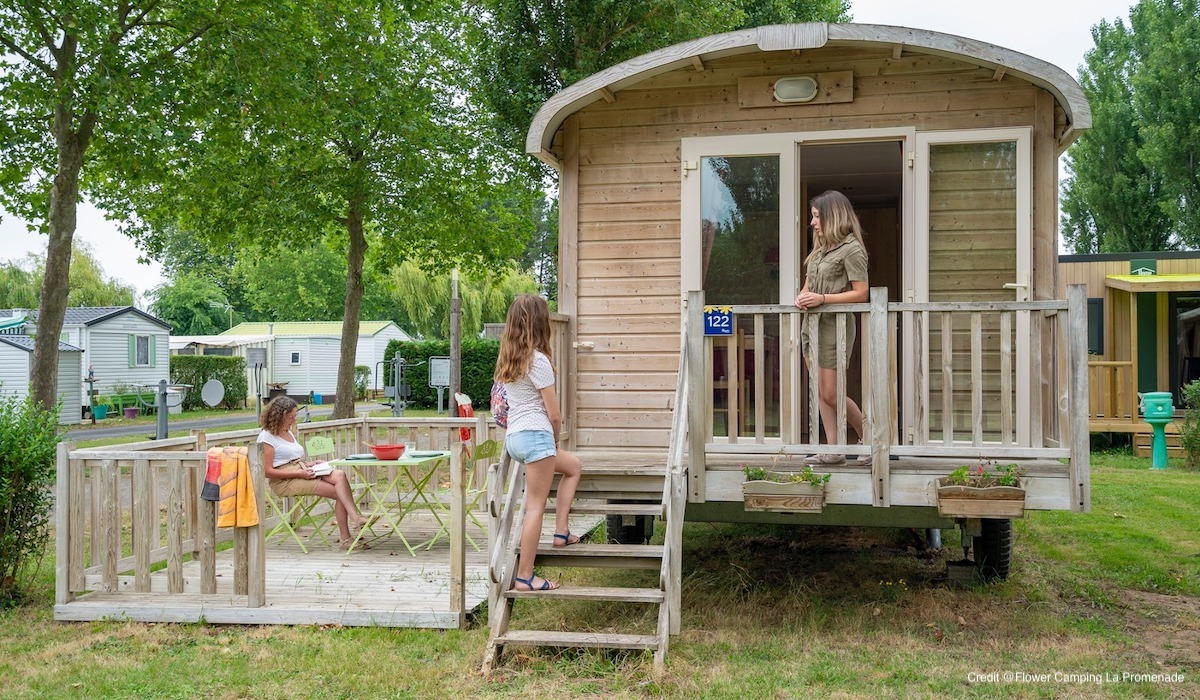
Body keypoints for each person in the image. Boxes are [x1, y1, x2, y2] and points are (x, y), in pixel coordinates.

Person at [495, 294, 583, 591]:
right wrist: (554, 442)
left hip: (515, 438)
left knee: (573, 466)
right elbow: (554, 414)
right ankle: (525, 576)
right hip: (536, 436)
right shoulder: (539, 360)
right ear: (540, 322)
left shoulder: (510, 358)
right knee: (534, 507)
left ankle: (562, 532)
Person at [794, 190, 869, 467]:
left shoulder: (852, 249)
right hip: (811, 327)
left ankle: (868, 438)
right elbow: (808, 287)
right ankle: (834, 448)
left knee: (830, 392)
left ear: (832, 216)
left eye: (816, 217)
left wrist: (823, 299)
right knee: (819, 389)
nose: (813, 223)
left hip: (834, 327)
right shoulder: (818, 251)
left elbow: (862, 293)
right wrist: (802, 297)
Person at [257, 396, 373, 550]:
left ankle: (355, 519)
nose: (293, 420)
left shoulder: (288, 431)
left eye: (294, 416)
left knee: (339, 475)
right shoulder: (267, 437)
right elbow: (268, 471)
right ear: (279, 416)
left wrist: (311, 464)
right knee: (341, 493)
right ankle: (347, 536)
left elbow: (292, 458)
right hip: (284, 481)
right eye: (290, 417)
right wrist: (300, 474)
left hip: (301, 469)